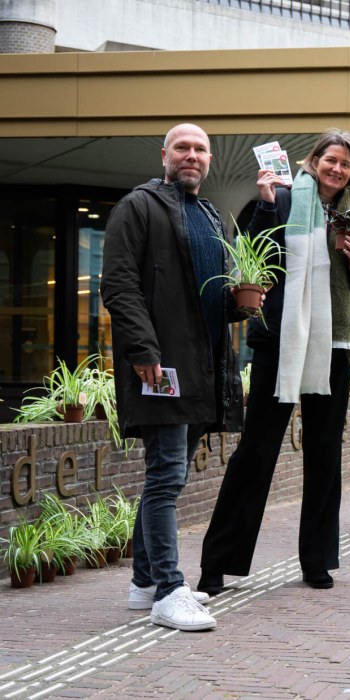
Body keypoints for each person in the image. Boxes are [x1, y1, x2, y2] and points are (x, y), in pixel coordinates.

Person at [198, 129, 350, 594]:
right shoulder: (283, 198)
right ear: (314, 160)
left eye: (346, 164)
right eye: (330, 159)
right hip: (281, 340)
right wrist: (267, 202)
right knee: (257, 450)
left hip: (333, 342)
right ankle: (217, 563)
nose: (337, 169)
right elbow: (256, 257)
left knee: (324, 453)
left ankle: (317, 561)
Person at [101, 123, 241, 631]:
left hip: (202, 369)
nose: (191, 155)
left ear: (209, 160)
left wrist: (239, 303)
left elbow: (205, 297)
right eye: (182, 147)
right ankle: (167, 588)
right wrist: (143, 349)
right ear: (164, 155)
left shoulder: (208, 215)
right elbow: (118, 284)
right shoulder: (138, 206)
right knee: (165, 475)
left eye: (200, 149)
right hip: (159, 365)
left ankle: (143, 583)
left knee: (171, 476)